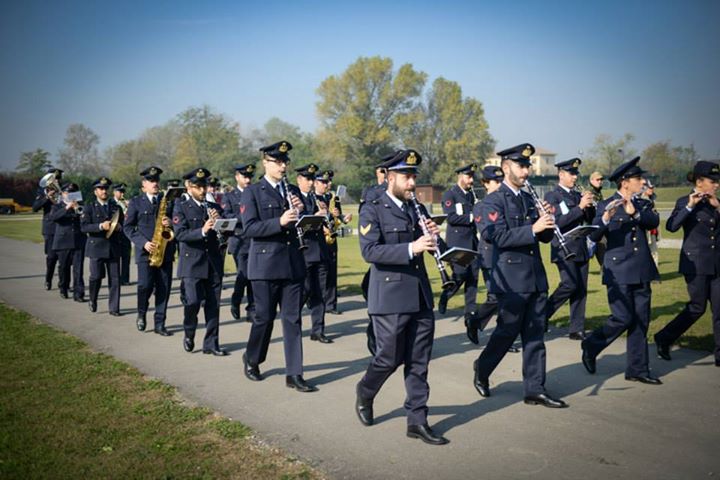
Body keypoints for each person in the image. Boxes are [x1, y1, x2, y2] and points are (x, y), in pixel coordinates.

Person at [355, 148, 449, 446]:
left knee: (419, 361)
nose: (412, 183)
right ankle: (365, 391)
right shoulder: (372, 208)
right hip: (390, 295)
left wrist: (435, 238)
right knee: (388, 358)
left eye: (414, 177)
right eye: (406, 177)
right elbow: (370, 251)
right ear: (390, 177)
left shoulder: (415, 207)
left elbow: (432, 246)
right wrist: (411, 248)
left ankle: (417, 420)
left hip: (419, 294)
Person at [474, 143, 568, 408]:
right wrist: (533, 228)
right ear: (506, 168)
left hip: (535, 276)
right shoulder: (493, 201)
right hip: (511, 280)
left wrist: (547, 222)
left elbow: (544, 238)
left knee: (536, 335)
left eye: (527, 166)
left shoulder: (528, 199)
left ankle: (535, 389)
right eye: (521, 166)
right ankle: (482, 368)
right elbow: (496, 236)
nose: (526, 171)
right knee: (506, 333)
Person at [240, 140, 317, 392]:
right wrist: (279, 222)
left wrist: (302, 213)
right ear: (265, 163)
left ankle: (294, 373)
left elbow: (301, 225)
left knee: (293, 320)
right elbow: (249, 228)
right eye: (277, 162)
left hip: (292, 263)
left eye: (285, 162)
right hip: (265, 265)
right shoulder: (252, 192)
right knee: (264, 318)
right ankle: (252, 358)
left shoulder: (292, 189)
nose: (283, 167)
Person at [581, 157, 663, 385]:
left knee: (641, 320)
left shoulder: (642, 204)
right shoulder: (605, 204)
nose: (643, 182)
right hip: (618, 270)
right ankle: (592, 344)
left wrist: (634, 213)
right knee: (622, 317)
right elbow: (593, 235)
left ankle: (637, 369)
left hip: (641, 268)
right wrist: (605, 218)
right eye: (638, 178)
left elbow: (653, 221)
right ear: (625, 182)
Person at [655, 161, 720, 367]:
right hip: (696, 263)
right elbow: (672, 226)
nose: (717, 185)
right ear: (699, 182)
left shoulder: (716, 202)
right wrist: (690, 206)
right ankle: (664, 337)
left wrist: (718, 207)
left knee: (719, 309)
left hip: (717, 263)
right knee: (697, 308)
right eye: (713, 181)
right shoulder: (684, 201)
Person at [173, 167, 228, 356]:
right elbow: (180, 234)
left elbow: (229, 229)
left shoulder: (213, 206)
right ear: (189, 186)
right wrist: (203, 231)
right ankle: (189, 332)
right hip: (192, 263)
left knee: (213, 305)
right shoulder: (180, 206)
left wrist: (221, 223)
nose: (203, 190)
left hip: (213, 262)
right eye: (198, 187)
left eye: (204, 186)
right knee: (193, 302)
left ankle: (211, 344)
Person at [467, 165, 520, 353]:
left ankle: (486, 327)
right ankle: (478, 322)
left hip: (509, 256)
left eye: (500, 181)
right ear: (485, 183)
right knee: (497, 297)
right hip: (490, 256)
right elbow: (487, 233)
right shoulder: (481, 206)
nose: (498, 185)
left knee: (504, 298)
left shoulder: (509, 201)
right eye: (494, 181)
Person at [544, 158, 596, 339]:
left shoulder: (576, 195)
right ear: (561, 174)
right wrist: (580, 207)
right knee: (569, 284)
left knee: (580, 288)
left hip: (580, 246)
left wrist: (589, 205)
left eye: (576, 174)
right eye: (571, 174)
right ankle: (542, 314)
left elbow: (588, 218)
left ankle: (576, 328)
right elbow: (558, 221)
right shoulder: (553, 196)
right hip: (564, 247)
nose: (575, 177)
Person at [123, 166, 176, 336]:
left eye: (156, 180)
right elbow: (128, 227)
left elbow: (179, 222)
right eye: (151, 181)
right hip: (145, 252)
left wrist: (171, 223)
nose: (155, 183)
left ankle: (160, 324)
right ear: (143, 184)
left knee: (164, 288)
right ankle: (141, 313)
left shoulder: (167, 201)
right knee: (144, 286)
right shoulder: (136, 202)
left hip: (165, 252)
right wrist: (143, 243)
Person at [438, 164, 480, 328]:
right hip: (458, 243)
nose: (471, 180)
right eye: (468, 177)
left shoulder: (470, 195)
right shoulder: (450, 194)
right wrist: (472, 217)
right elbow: (451, 217)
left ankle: (470, 313)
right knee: (460, 275)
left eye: (472, 177)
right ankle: (446, 296)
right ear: (460, 176)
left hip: (472, 242)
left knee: (473, 278)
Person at [295, 164, 332, 343]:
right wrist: (315, 216)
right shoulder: (293, 200)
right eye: (307, 179)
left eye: (312, 179)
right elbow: (297, 225)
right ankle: (293, 324)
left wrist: (327, 216)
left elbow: (325, 222)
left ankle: (318, 330)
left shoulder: (317, 198)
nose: (310, 183)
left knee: (320, 293)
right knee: (304, 291)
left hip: (320, 251)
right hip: (304, 252)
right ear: (299, 180)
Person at [81, 176, 124, 316]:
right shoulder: (89, 207)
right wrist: (100, 226)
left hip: (113, 247)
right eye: (101, 188)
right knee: (96, 277)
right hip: (96, 247)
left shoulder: (116, 207)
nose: (104, 191)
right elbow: (84, 227)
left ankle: (114, 308)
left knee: (115, 279)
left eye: (106, 188)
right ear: (95, 192)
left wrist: (119, 227)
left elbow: (123, 225)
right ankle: (93, 299)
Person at [221, 164, 256, 323]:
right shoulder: (229, 196)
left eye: (249, 177)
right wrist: (247, 216)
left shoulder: (255, 192)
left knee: (254, 276)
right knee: (244, 275)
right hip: (239, 241)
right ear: (237, 177)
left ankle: (252, 310)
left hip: (255, 240)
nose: (248, 180)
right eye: (244, 177)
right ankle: (236, 299)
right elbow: (227, 216)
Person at [49, 182, 86, 302]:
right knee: (64, 267)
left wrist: (78, 209)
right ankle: (63, 288)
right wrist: (67, 207)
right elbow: (53, 218)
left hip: (78, 241)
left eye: (73, 193)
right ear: (63, 194)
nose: (71, 195)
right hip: (63, 242)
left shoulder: (80, 205)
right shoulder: (57, 206)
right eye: (68, 193)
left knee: (78, 269)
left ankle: (78, 294)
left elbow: (85, 220)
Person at [33, 166, 62, 290]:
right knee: (51, 257)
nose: (56, 181)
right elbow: (35, 207)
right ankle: (48, 279)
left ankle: (63, 283)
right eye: (53, 179)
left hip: (62, 227)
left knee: (64, 258)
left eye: (57, 179)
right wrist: (47, 197)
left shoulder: (64, 190)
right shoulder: (42, 192)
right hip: (50, 228)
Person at [113, 183, 132, 285]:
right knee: (115, 258)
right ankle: (116, 279)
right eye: (120, 192)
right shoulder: (111, 203)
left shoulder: (126, 203)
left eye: (123, 192)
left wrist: (130, 207)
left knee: (126, 257)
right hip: (115, 233)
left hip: (126, 233)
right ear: (114, 192)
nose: (122, 194)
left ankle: (125, 279)